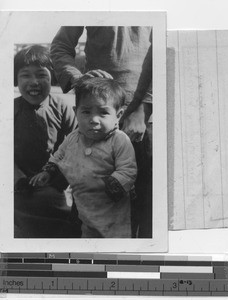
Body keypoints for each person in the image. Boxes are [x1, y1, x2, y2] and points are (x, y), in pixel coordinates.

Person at [50, 26, 153, 237]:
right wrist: (79, 80)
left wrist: (144, 108)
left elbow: (164, 50)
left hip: (142, 118)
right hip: (94, 117)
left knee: (145, 209)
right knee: (88, 204)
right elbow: (60, 45)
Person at [31, 77, 137, 238]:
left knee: (114, 242)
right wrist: (48, 172)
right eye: (86, 112)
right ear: (76, 112)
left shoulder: (118, 140)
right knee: (87, 236)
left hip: (112, 212)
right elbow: (59, 156)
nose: (93, 120)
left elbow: (128, 171)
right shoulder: (74, 137)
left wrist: (102, 184)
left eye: (103, 113)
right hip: (85, 210)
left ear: (118, 115)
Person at [14, 45, 77, 238]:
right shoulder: (9, 110)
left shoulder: (61, 106)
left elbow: (75, 145)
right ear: (16, 79)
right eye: (25, 75)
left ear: (52, 78)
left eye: (42, 75)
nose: (34, 82)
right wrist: (18, 179)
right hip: (18, 185)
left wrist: (56, 178)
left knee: (58, 225)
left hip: (53, 183)